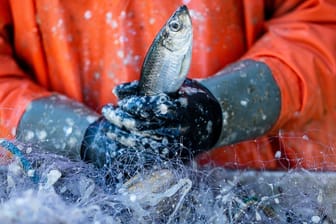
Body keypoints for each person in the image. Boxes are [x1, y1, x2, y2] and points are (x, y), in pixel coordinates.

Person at [0, 0, 336, 174]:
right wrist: (83, 138)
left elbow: (320, 25)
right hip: (61, 195)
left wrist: (219, 108)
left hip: (256, 191)